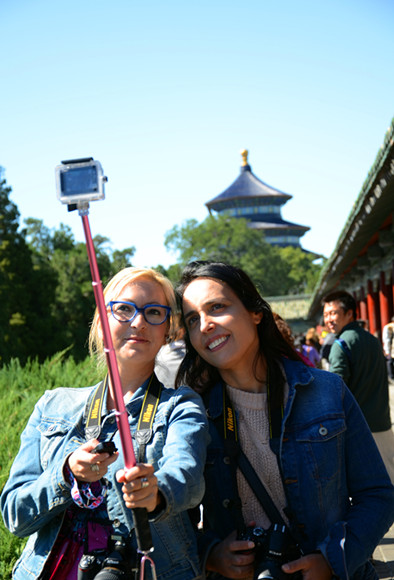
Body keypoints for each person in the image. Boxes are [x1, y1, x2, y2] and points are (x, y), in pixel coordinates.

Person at [176, 261, 394, 580]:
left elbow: (377, 493)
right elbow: (174, 522)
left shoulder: (326, 392)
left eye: (217, 307)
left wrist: (333, 559)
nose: (205, 325)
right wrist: (211, 554)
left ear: (255, 312)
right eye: (193, 319)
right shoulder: (191, 415)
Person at [1, 266, 209, 580]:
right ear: (101, 324)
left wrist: (154, 492)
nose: (138, 321)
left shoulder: (181, 405)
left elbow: (187, 477)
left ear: (167, 330)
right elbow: (15, 516)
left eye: (154, 312)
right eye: (124, 309)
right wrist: (65, 474)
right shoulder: (53, 404)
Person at [322, 290, 394, 484]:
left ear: (349, 314)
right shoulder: (372, 339)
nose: (329, 319)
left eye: (334, 313)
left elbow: (335, 389)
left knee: (369, 487)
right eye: (326, 314)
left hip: (359, 427)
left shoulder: (341, 344)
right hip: (382, 421)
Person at [382, 316, 394, 382]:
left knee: (390, 362)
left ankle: (391, 376)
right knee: (390, 361)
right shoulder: (389, 327)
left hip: (391, 348)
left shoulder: (389, 327)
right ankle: (391, 376)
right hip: (391, 348)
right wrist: (387, 350)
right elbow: (387, 340)